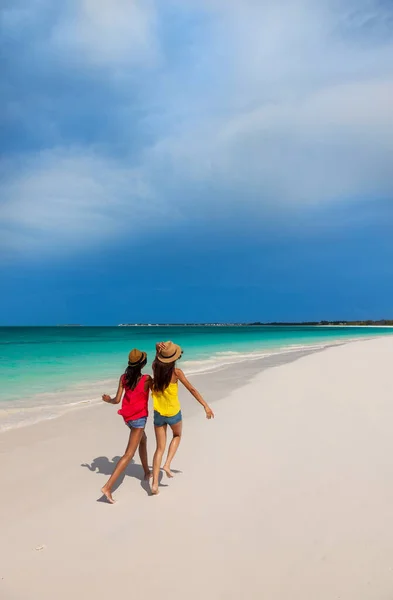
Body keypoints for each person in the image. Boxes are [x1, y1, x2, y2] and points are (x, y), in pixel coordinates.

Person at [151, 341, 214, 495]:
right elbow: (192, 389)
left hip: (158, 413)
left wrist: (157, 348)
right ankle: (167, 464)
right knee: (177, 435)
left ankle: (154, 484)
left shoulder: (155, 368)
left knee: (159, 448)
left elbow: (156, 359)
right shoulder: (176, 373)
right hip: (173, 413)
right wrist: (205, 405)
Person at [100, 349, 152, 503]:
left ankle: (146, 472)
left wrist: (108, 399)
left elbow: (117, 400)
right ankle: (108, 487)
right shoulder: (147, 379)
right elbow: (159, 391)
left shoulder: (124, 378)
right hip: (138, 419)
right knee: (129, 454)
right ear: (143, 364)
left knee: (143, 440)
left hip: (127, 418)